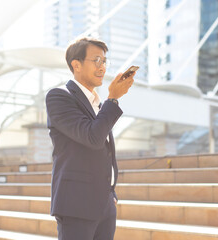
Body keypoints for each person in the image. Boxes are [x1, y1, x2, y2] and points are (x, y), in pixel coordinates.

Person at [46, 36, 135, 240]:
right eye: (96, 60)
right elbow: (92, 137)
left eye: (104, 61)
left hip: (104, 203)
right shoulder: (59, 96)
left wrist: (110, 193)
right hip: (76, 204)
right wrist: (112, 98)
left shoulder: (98, 104)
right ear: (76, 64)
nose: (102, 67)